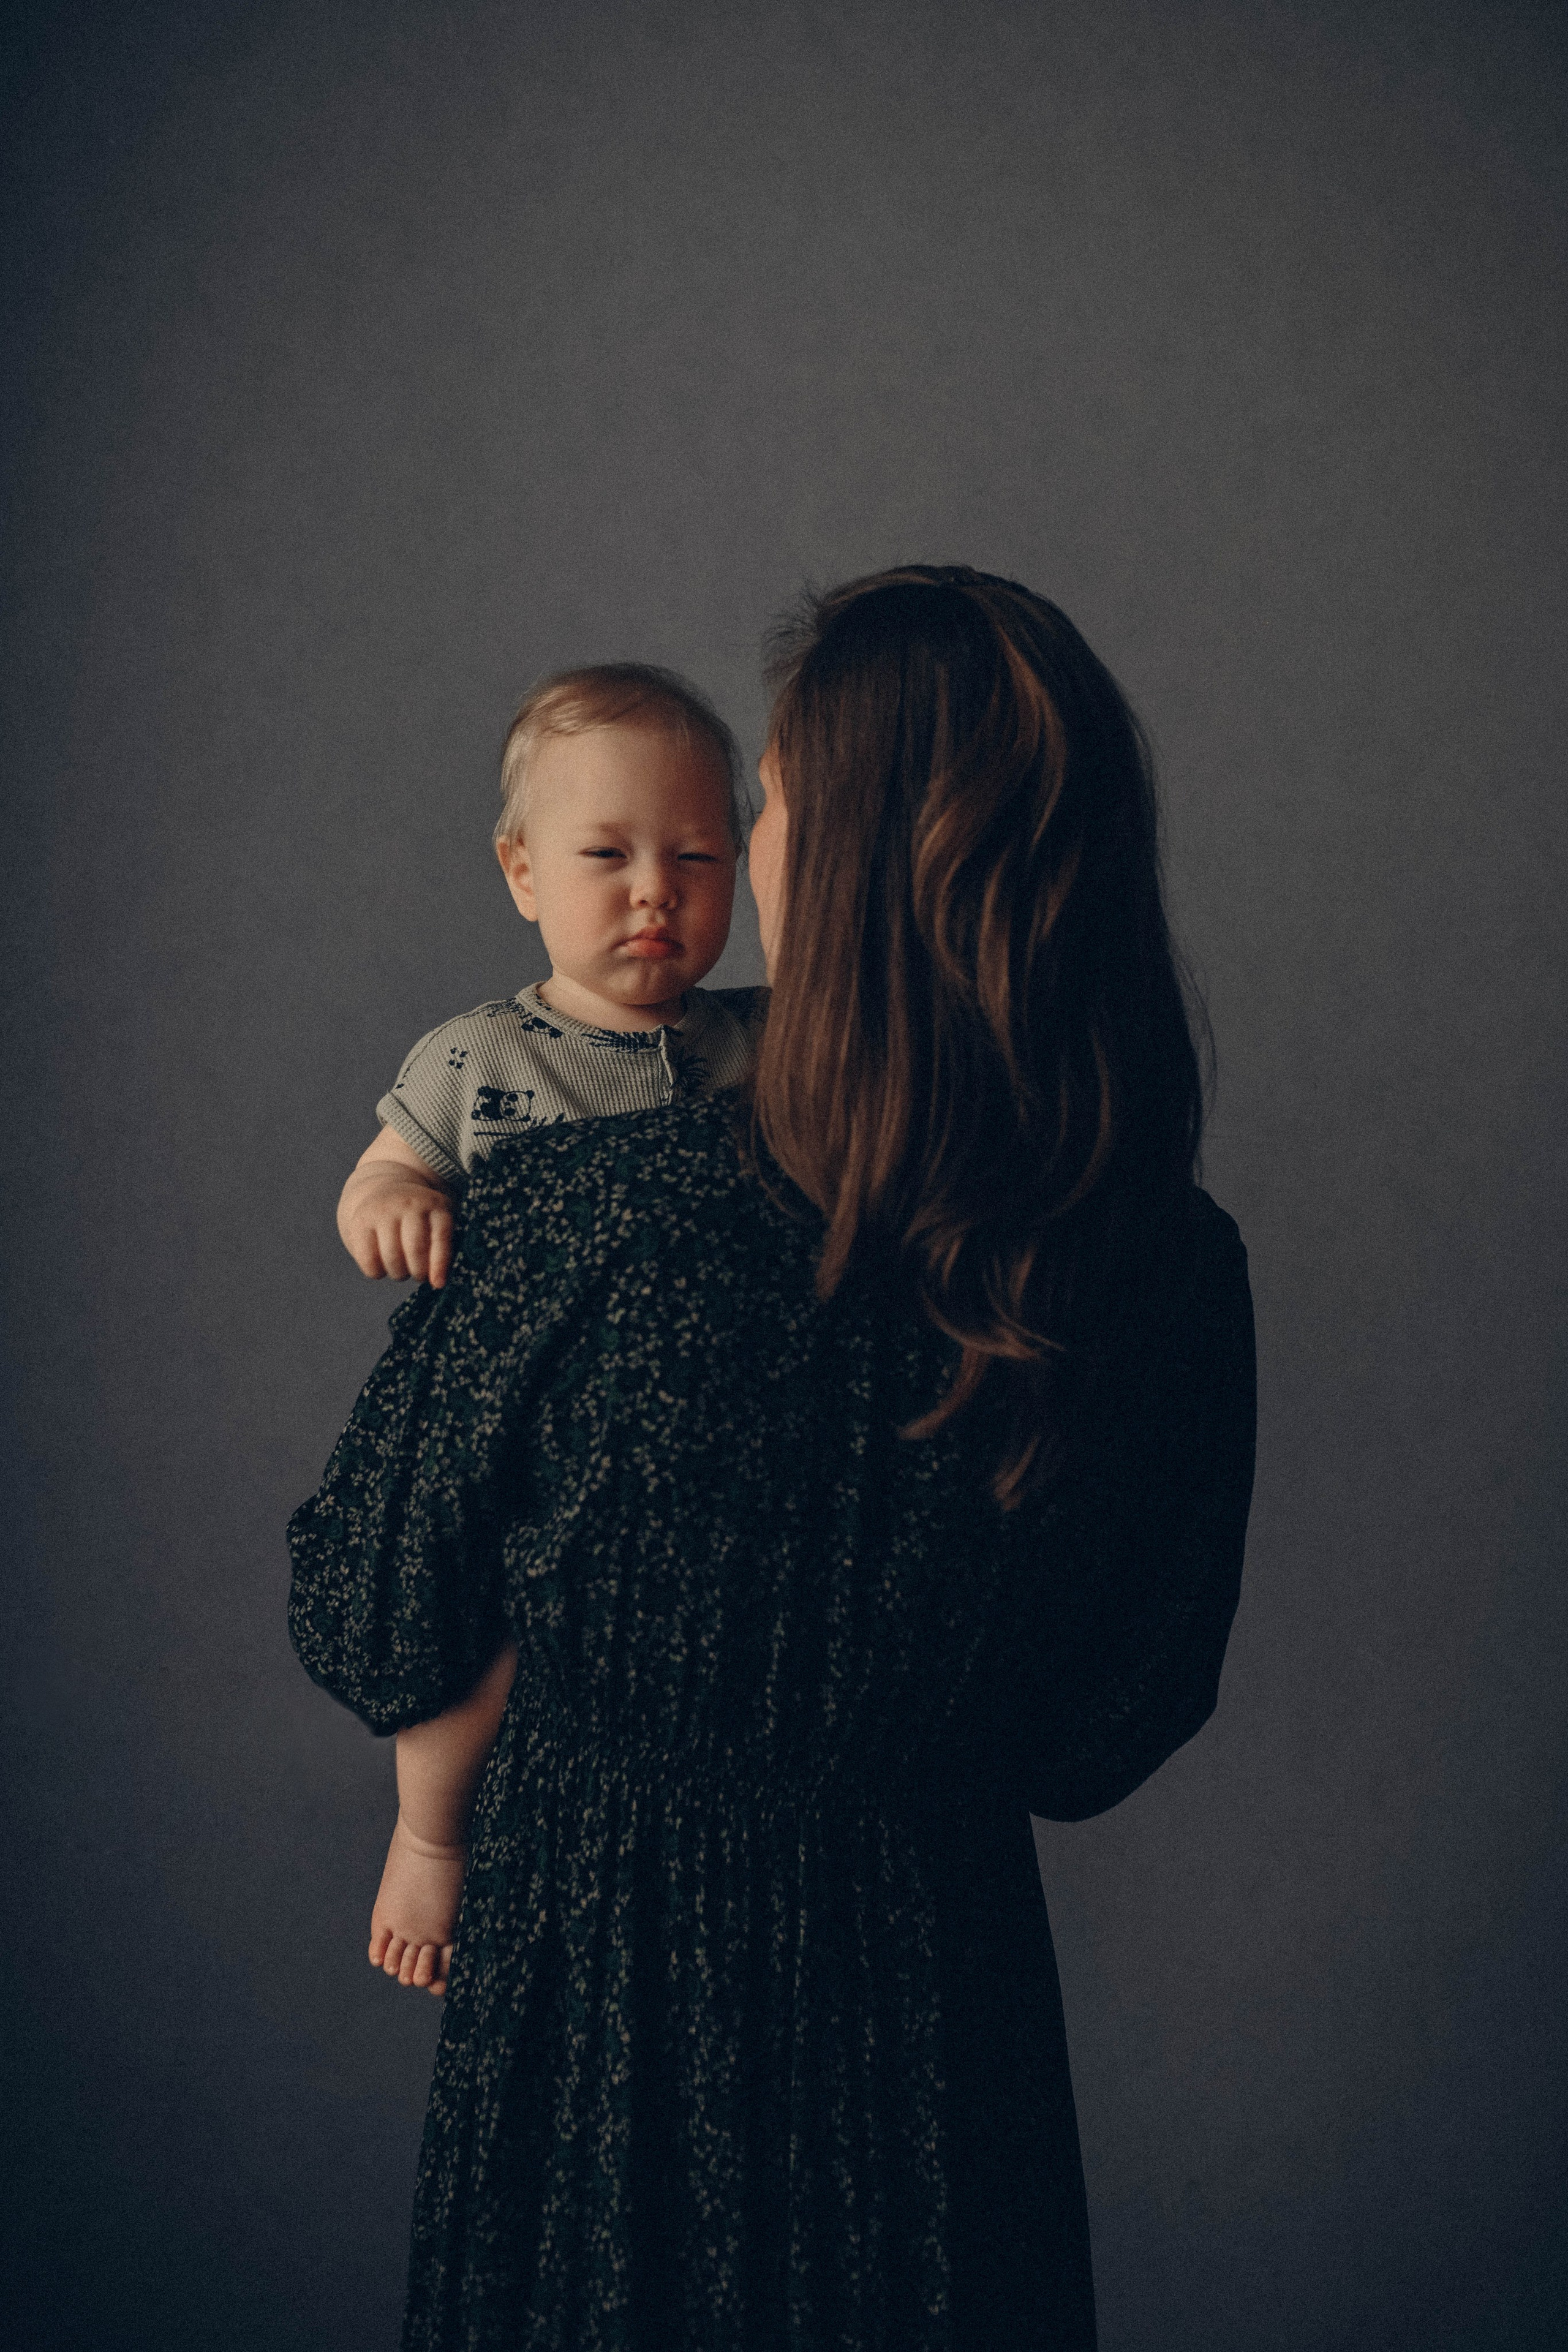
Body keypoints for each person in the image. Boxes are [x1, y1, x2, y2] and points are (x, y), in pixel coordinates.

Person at [289, 565, 1256, 2351]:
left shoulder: (581, 1225)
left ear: (853, 863)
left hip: (603, 2037)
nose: (744, 843)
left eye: (779, 803)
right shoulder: (1170, 1274)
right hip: (942, 2057)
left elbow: (372, 1617)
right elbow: (1107, 1729)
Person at [334, 662, 766, 1996]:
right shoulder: (479, 1057)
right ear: (521, 872)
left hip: (687, 1454)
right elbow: (379, 1172)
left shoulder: (755, 1043)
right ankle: (427, 1836)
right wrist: (396, 1200)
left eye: (697, 856)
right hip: (519, 1437)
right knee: (475, 1634)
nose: (656, 891)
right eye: (608, 856)